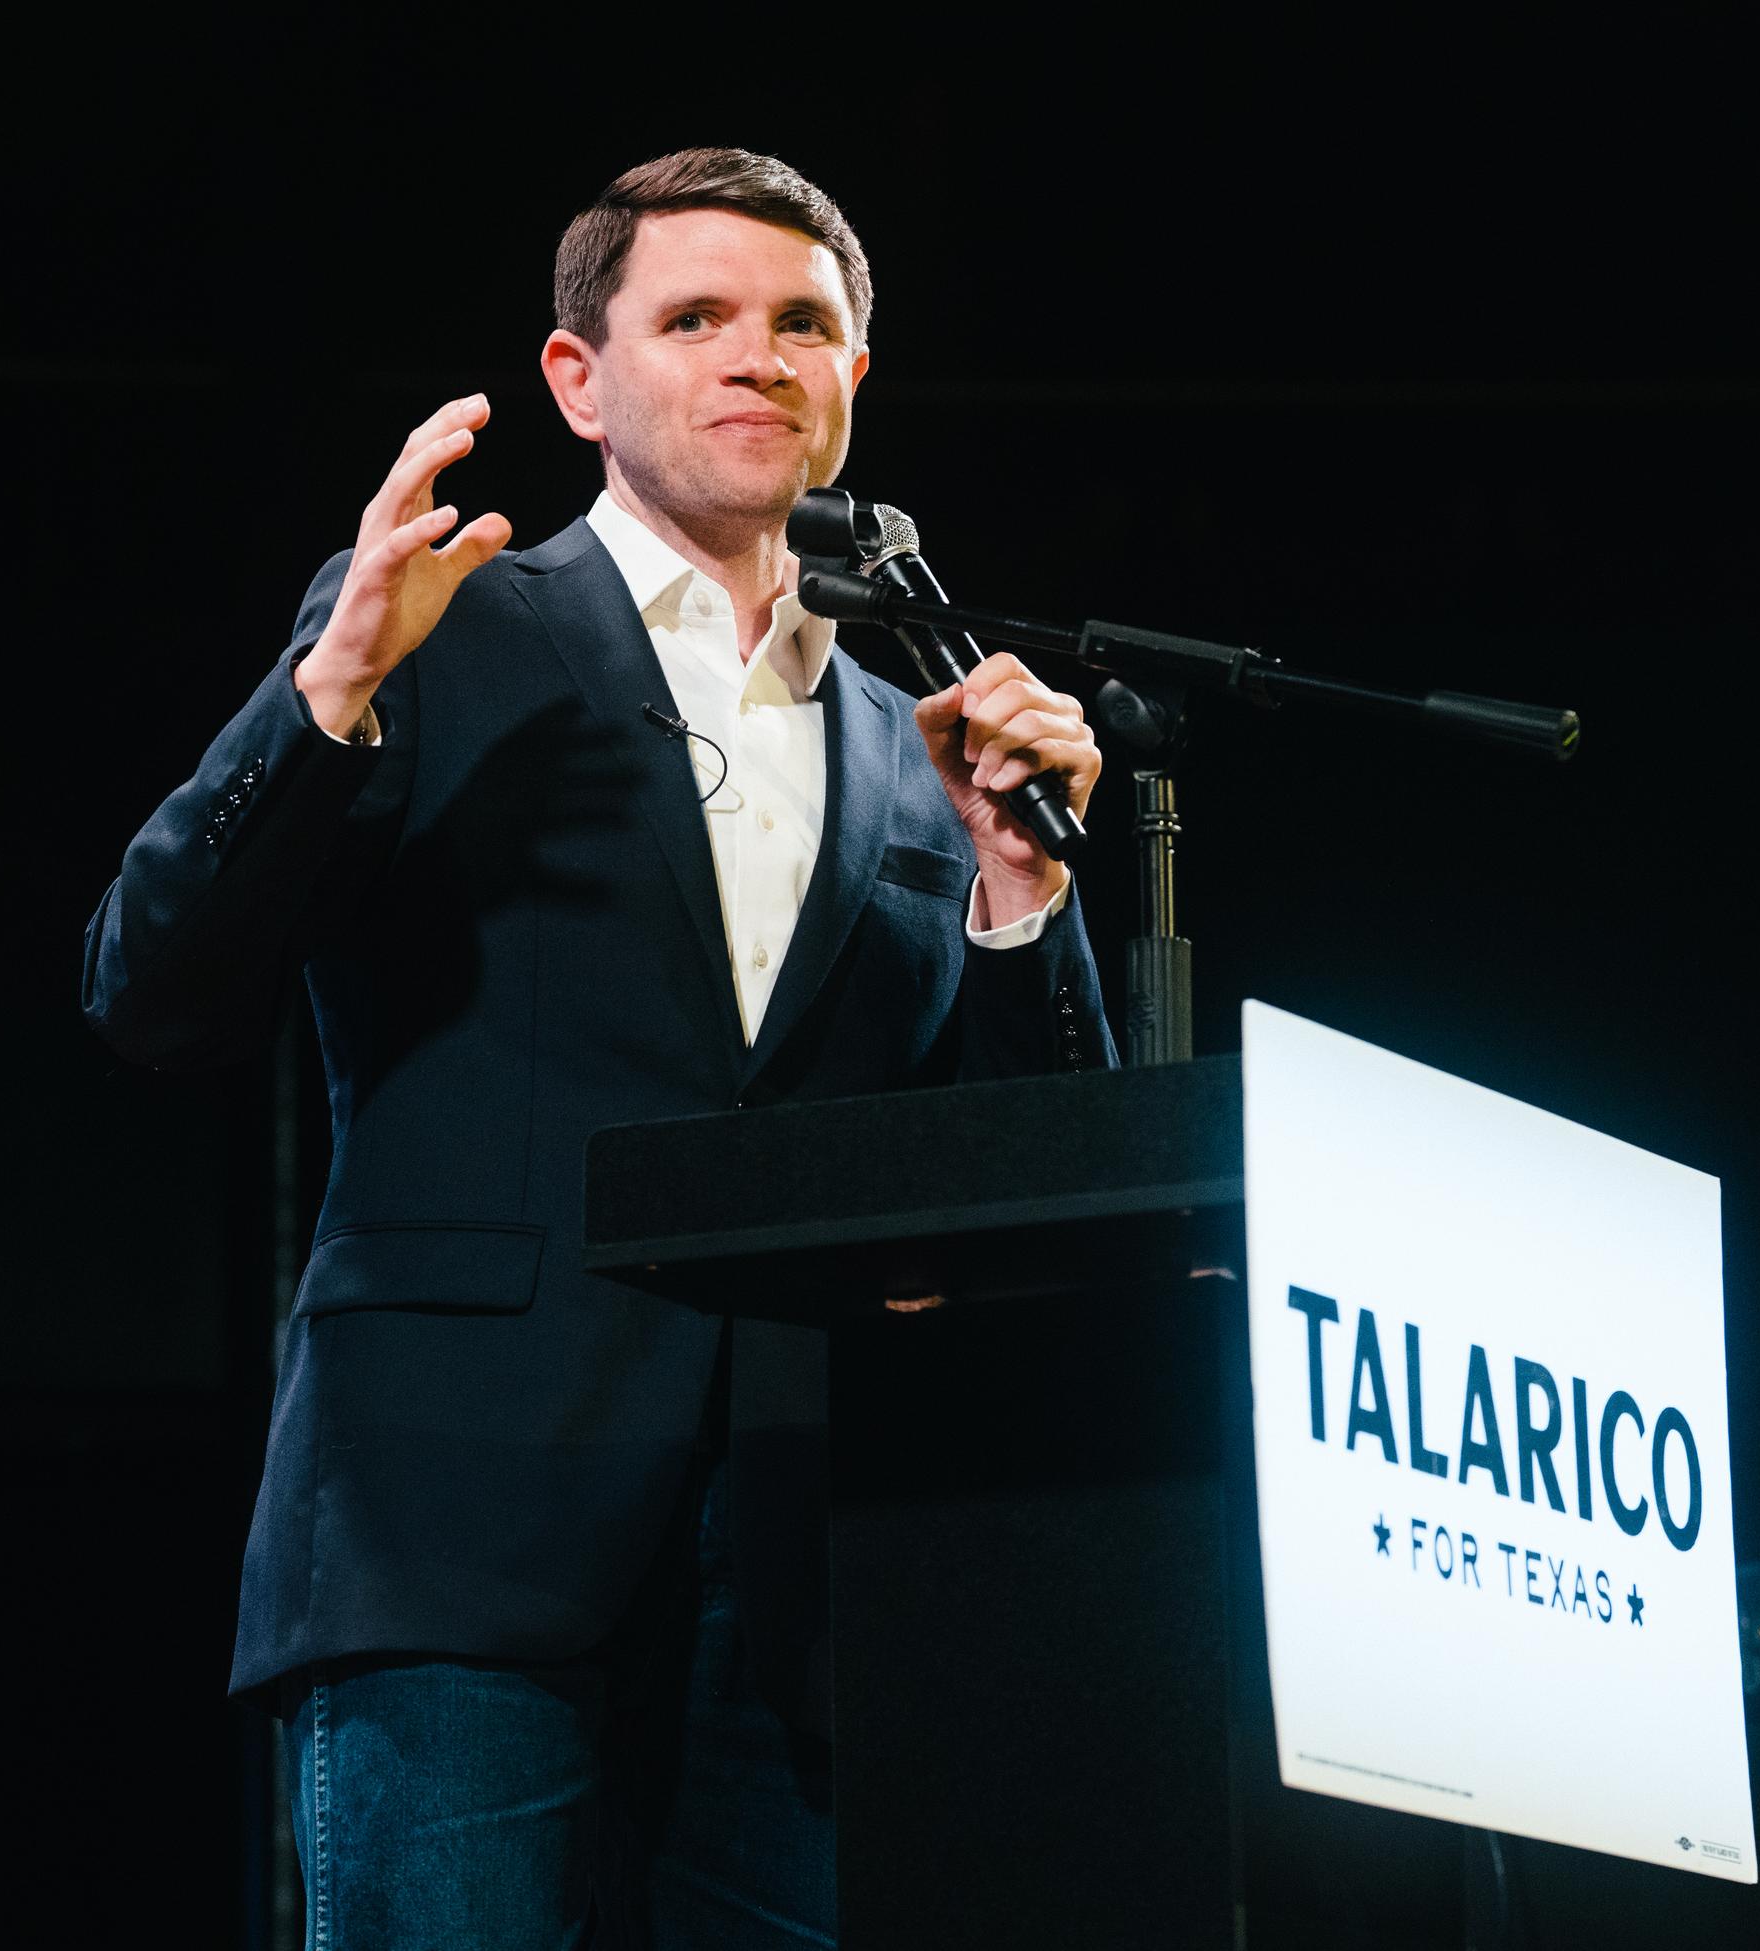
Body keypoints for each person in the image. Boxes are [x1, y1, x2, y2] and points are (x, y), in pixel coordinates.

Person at [82, 148, 1114, 1948]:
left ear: (854, 383)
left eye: (804, 325)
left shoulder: (917, 742)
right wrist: (326, 697)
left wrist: (1021, 889)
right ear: (582, 380)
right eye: (695, 316)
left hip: (797, 1567)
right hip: (461, 1520)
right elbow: (148, 986)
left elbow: (1027, 1182)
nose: (757, 356)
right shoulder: (439, 623)